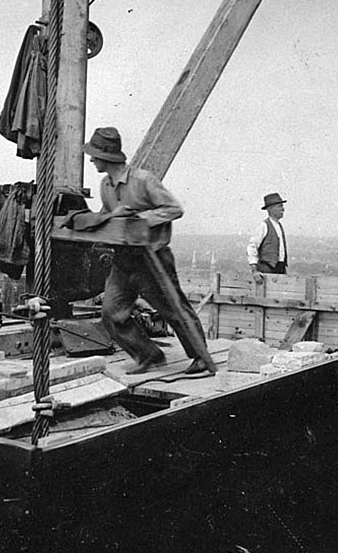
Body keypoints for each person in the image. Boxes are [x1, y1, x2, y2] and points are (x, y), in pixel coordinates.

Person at [85, 126, 217, 375]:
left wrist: (139, 219)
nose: (91, 160)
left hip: (152, 259)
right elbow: (107, 215)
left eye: (94, 155)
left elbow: (174, 208)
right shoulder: (105, 185)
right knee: (111, 313)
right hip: (124, 260)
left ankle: (200, 358)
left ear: (106, 156)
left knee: (174, 310)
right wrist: (92, 222)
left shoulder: (143, 180)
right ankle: (149, 355)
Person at [247, 193, 288, 282]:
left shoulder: (279, 226)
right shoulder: (264, 226)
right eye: (280, 206)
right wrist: (254, 270)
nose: (283, 209)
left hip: (280, 270)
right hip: (267, 270)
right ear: (271, 209)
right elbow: (252, 247)